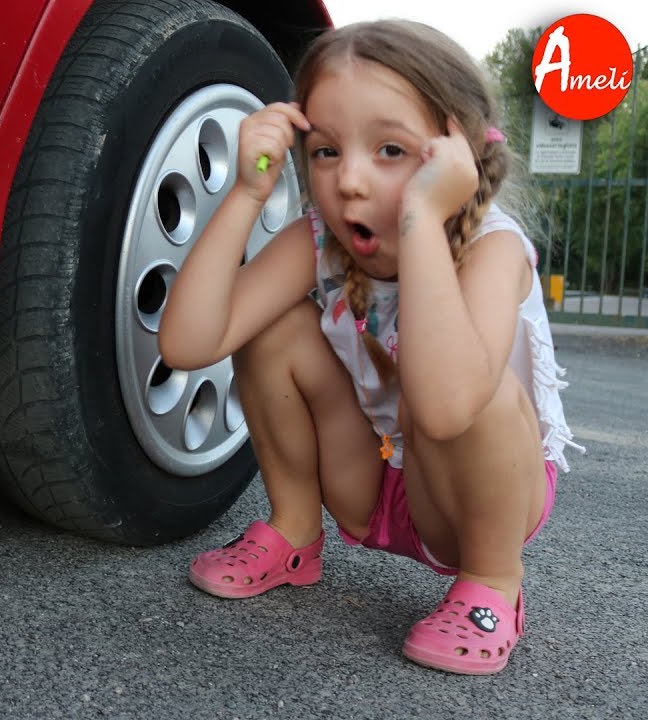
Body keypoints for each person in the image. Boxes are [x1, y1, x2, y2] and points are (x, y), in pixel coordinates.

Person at [158, 19, 581, 675]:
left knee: (478, 387)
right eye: (326, 151)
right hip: (374, 485)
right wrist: (247, 191)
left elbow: (443, 408)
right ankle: (294, 532)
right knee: (273, 327)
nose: (349, 180)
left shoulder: (494, 249)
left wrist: (419, 219)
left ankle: (494, 584)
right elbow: (189, 343)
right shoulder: (318, 242)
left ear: (456, 157)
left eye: (389, 150)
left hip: (475, 502)